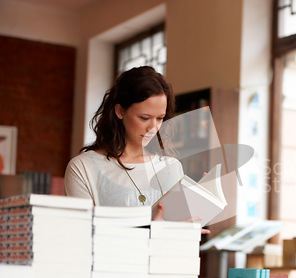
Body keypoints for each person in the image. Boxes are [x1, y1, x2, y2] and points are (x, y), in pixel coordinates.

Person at [64, 66, 207, 232]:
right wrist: (154, 231)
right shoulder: (83, 168)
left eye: (160, 118)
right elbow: (79, 236)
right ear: (119, 111)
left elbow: (179, 236)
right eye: (144, 118)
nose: (153, 128)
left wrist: (192, 221)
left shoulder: (172, 167)